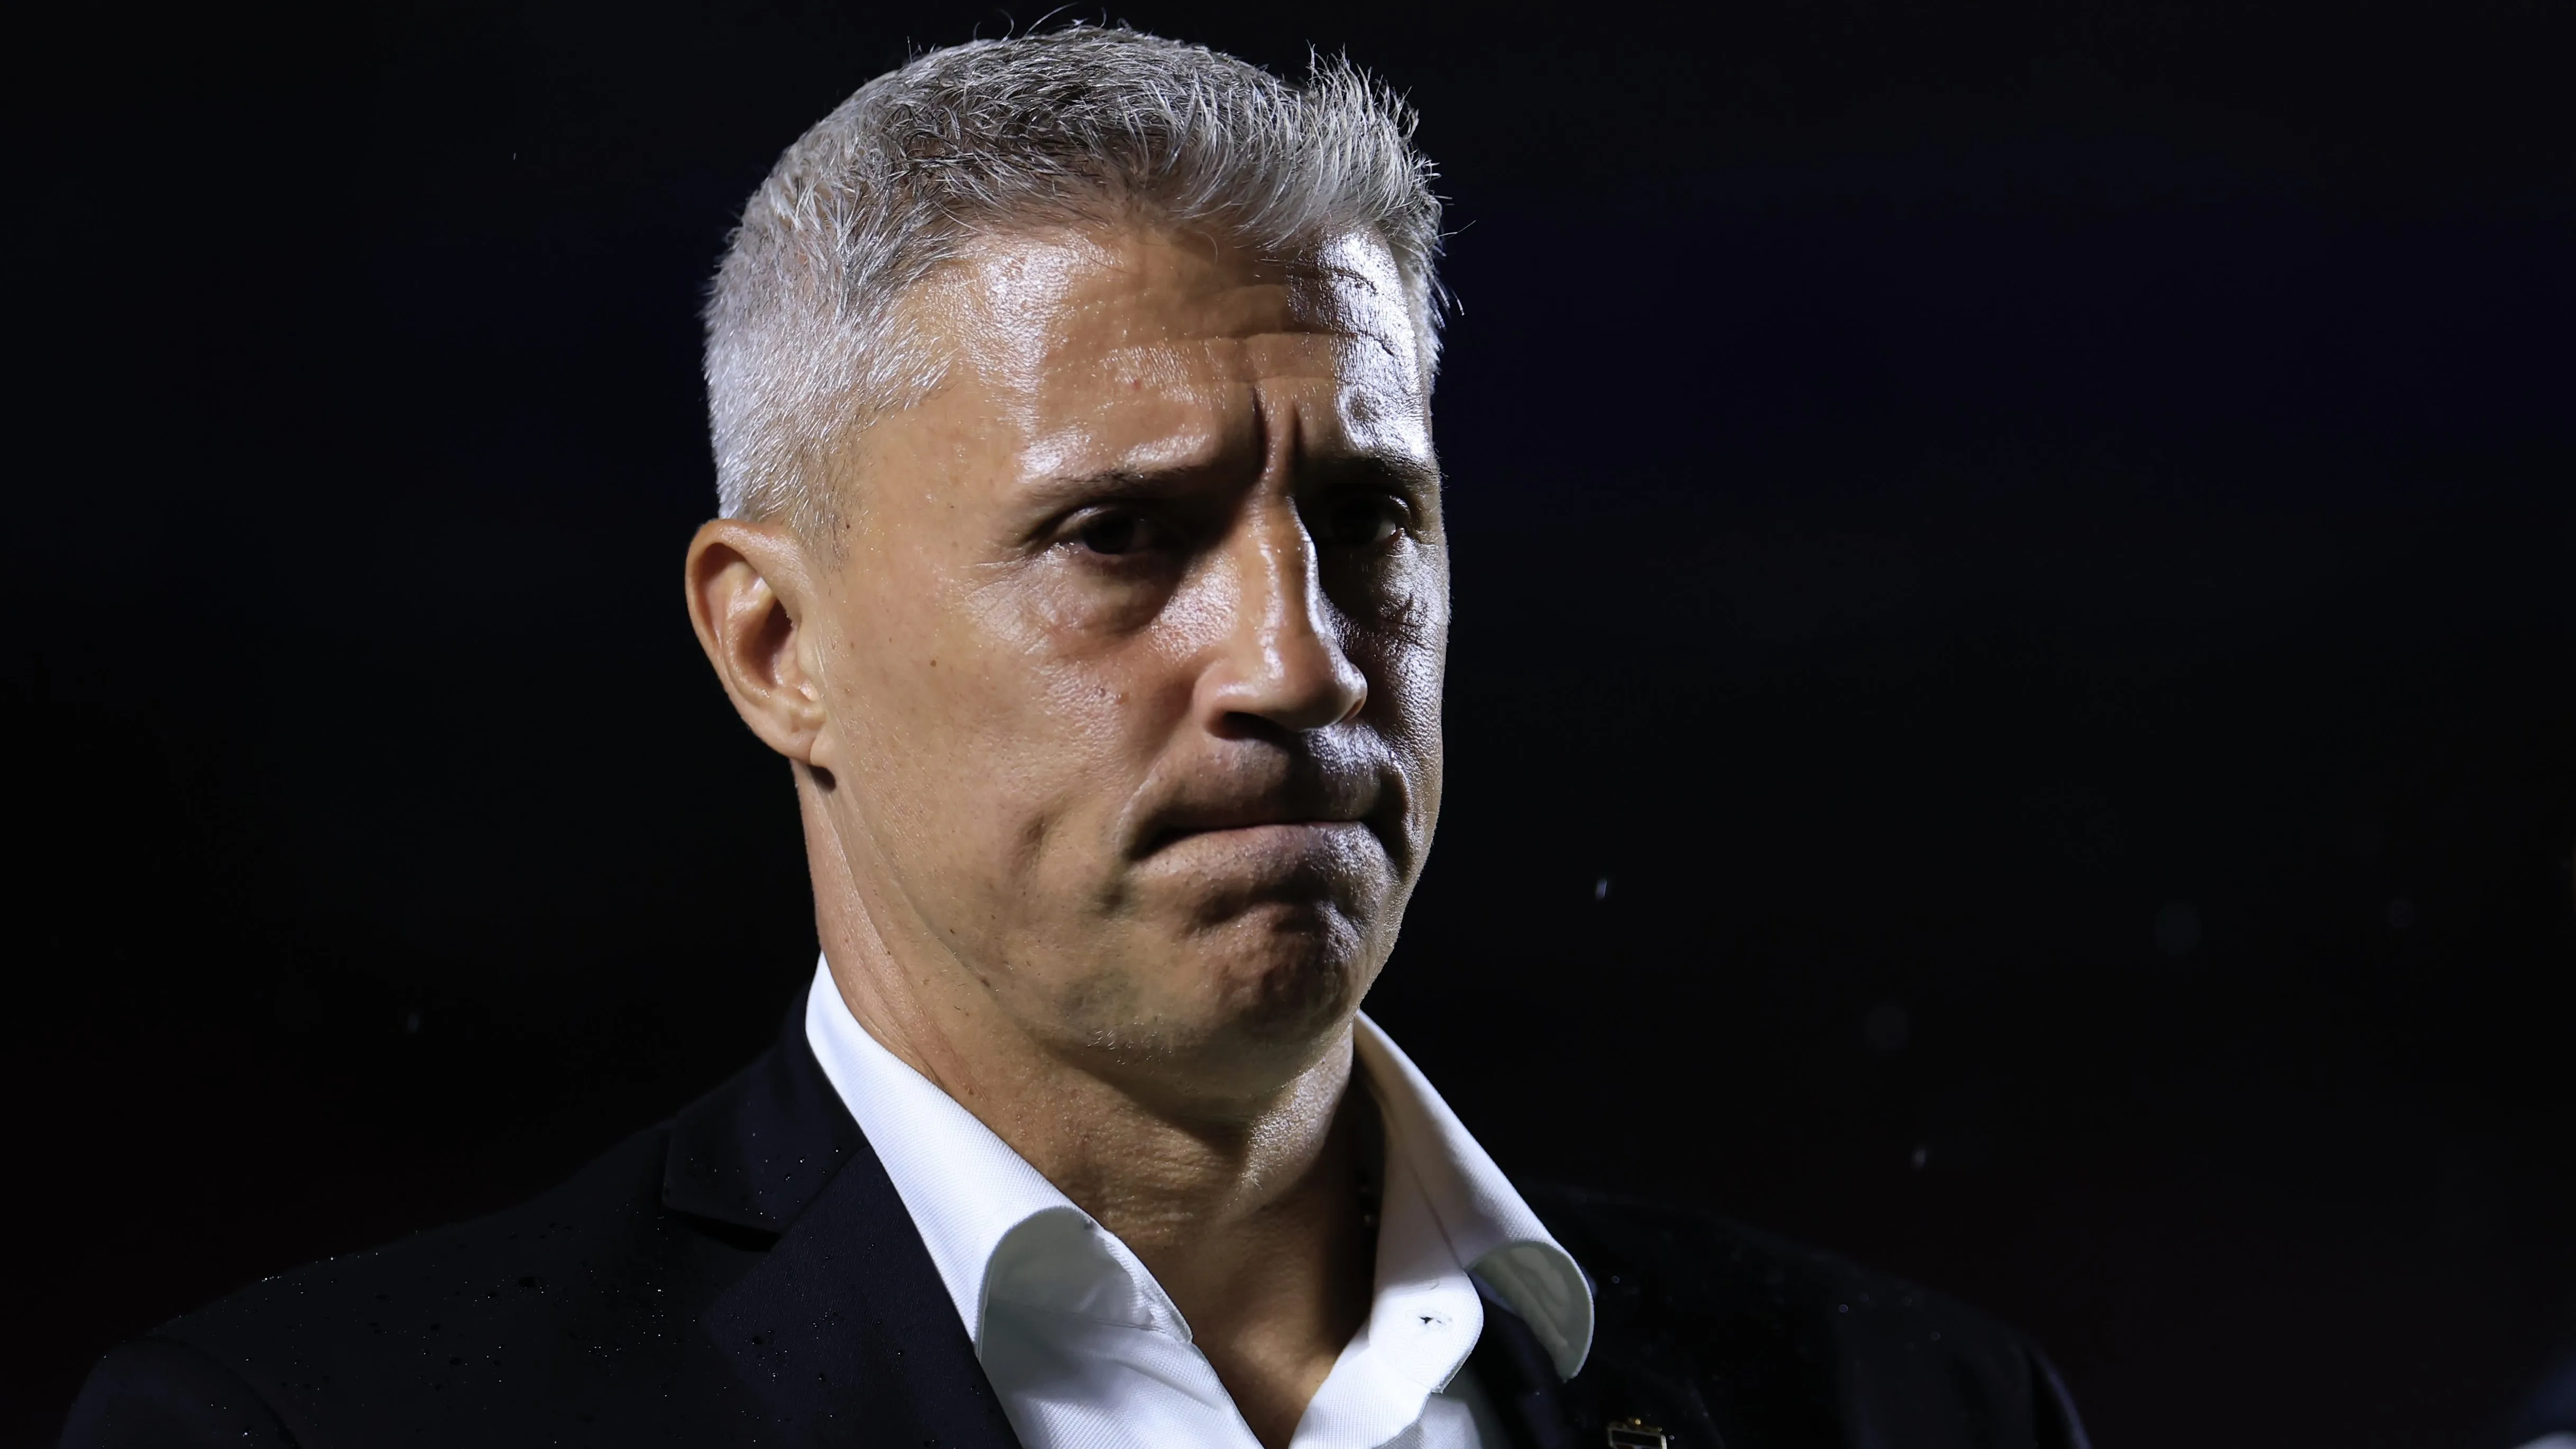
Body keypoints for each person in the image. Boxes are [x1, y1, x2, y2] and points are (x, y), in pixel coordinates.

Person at [62, 27, 2088, 1449]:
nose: (1297, 659)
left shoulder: (1921, 1411)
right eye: (1117, 534)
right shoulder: (326, 1431)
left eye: (1369, 516)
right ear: (778, 643)